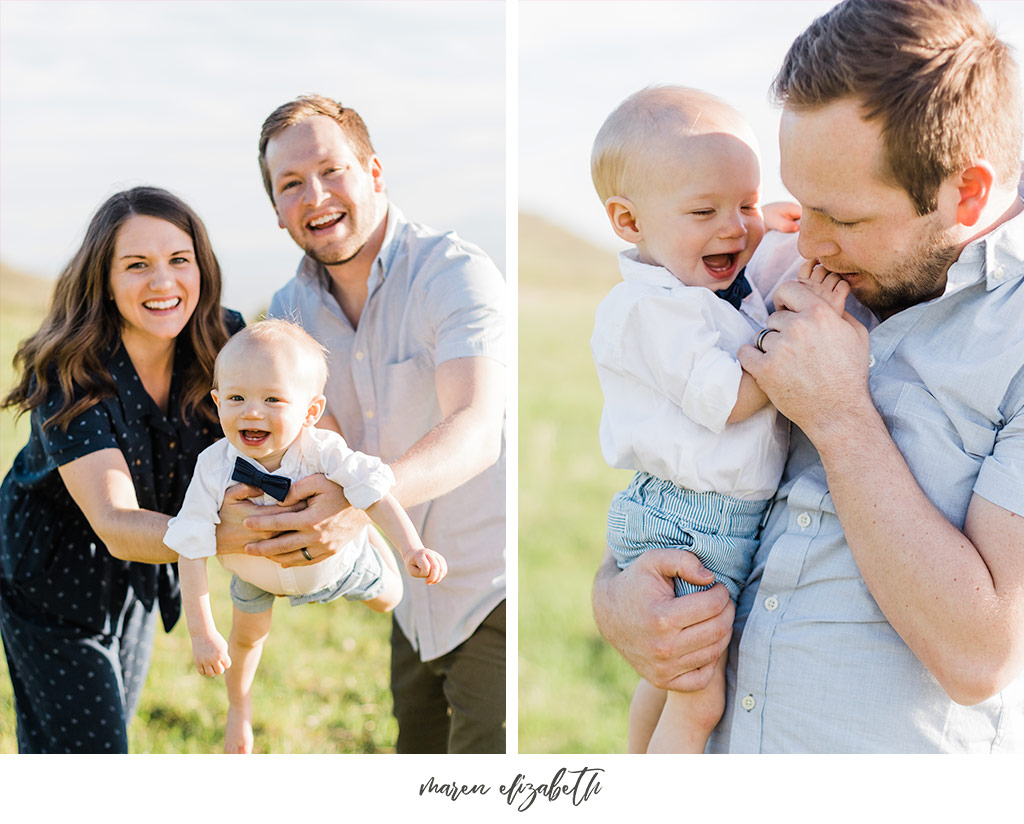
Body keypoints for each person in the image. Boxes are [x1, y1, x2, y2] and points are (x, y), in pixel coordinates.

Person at [593, 0, 1024, 753]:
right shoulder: (786, 266)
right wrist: (617, 602)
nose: (808, 243)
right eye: (796, 202)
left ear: (969, 194)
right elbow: (680, 475)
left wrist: (838, 415)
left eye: (844, 219)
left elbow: (981, 658)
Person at [211, 95, 506, 753]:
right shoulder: (289, 311)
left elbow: (477, 426)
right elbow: (314, 449)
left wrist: (354, 501)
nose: (315, 195)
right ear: (277, 209)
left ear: (374, 172)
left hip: (490, 588)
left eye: (331, 170)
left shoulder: (453, 273)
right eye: (291, 184)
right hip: (404, 601)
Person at [590, 86, 847, 753]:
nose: (735, 227)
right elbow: (730, 397)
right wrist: (796, 323)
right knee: (699, 694)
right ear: (629, 221)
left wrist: (781, 238)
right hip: (689, 521)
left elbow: (740, 297)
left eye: (747, 204)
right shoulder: (651, 310)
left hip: (712, 516)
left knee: (672, 683)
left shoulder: (699, 291)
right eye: (705, 210)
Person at [0, 186, 244, 753]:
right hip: (50, 581)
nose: (164, 283)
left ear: (201, 266)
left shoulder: (223, 343)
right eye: (137, 266)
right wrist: (248, 536)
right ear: (104, 283)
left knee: (104, 741)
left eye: (178, 261)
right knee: (93, 756)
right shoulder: (72, 371)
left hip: (145, 563)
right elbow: (114, 519)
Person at [163, 319, 447, 753]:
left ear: (311, 411)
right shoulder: (213, 466)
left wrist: (411, 547)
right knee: (246, 638)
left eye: (273, 399)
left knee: (389, 599)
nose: (252, 412)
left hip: (337, 566)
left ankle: (371, 551)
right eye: (236, 398)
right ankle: (239, 708)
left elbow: (375, 491)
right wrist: (202, 632)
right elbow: (190, 548)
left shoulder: (322, 449)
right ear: (217, 402)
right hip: (255, 574)